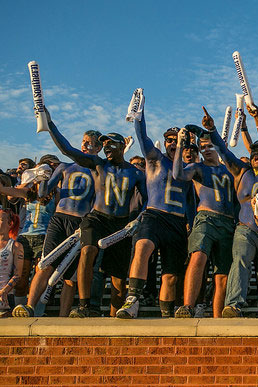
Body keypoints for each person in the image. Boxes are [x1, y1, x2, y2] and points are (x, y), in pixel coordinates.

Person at [43, 111, 146, 318]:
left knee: (118, 280)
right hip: (97, 218)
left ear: (122, 147)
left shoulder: (135, 172)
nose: (106, 147)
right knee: (87, 251)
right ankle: (84, 305)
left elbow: (147, 201)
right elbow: (68, 150)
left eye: (111, 144)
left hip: (120, 225)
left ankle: (116, 315)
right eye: (104, 144)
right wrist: (50, 124)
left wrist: (138, 219)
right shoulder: (98, 164)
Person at [201, 107, 258, 318]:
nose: (255, 155)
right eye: (253, 152)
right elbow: (224, 152)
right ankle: (233, 306)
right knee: (241, 260)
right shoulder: (242, 172)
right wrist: (213, 130)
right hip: (246, 229)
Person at [12, 131, 101, 318]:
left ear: (99, 148)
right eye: (84, 142)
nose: (86, 146)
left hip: (80, 222)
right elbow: (43, 194)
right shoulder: (65, 167)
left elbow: (99, 200)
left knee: (71, 276)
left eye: (91, 143)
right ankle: (29, 306)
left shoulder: (98, 170)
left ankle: (63, 316)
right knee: (45, 264)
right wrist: (42, 178)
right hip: (60, 219)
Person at [117, 108, 191, 319]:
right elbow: (142, 137)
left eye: (176, 139)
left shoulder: (190, 166)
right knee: (142, 247)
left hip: (177, 222)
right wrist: (139, 115)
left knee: (171, 276)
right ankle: (132, 299)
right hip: (155, 215)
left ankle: (167, 316)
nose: (172, 143)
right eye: (168, 139)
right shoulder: (156, 158)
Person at [172, 129, 236, 318]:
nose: (206, 150)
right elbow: (178, 175)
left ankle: (218, 319)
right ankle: (187, 306)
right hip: (206, 218)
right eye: (203, 147)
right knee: (198, 256)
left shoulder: (230, 169)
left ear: (217, 147)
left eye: (210, 146)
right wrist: (179, 146)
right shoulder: (198, 168)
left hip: (228, 222)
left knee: (222, 275)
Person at [0, 155, 59, 311]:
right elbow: (7, 191)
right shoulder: (29, 191)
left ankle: (36, 310)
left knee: (40, 274)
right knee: (22, 276)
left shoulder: (55, 192)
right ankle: (19, 308)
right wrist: (28, 179)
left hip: (45, 236)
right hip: (26, 237)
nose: (42, 177)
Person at [0, 203, 23, 317]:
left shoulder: (15, 246)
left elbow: (17, 275)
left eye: (1, 220)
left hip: (5, 297)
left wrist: (4, 290)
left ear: (10, 224)